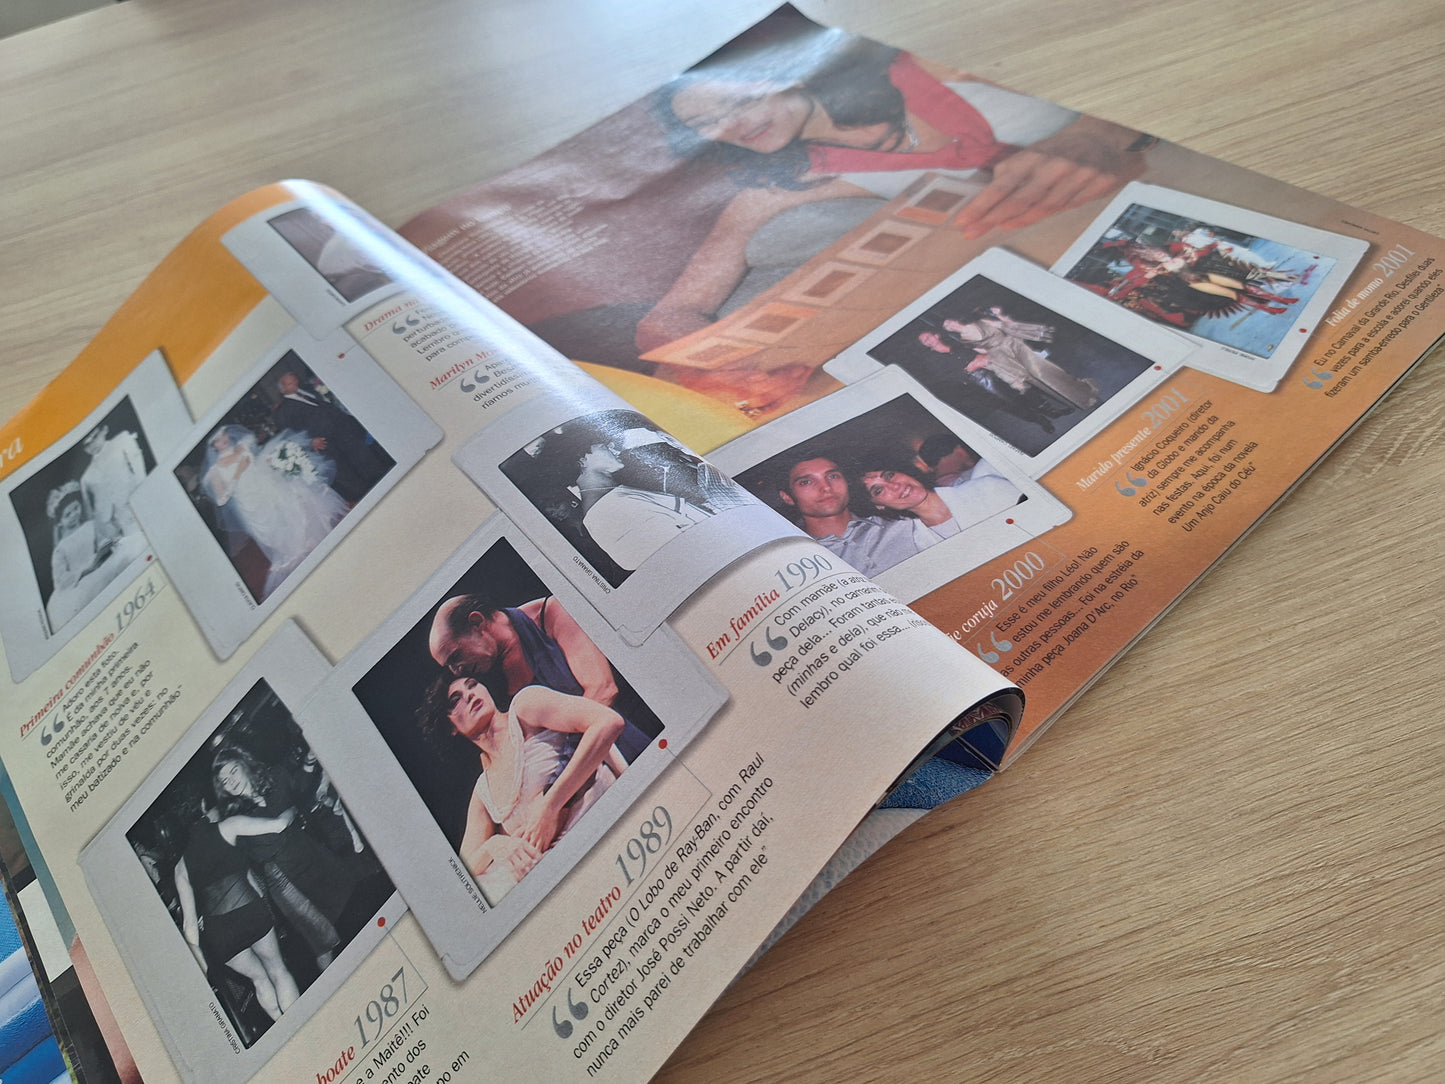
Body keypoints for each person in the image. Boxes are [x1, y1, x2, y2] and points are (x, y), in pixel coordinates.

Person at [638, 38, 1149, 356]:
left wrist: (1100, 134)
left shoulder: (925, 58)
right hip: (1075, 272)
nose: (731, 125)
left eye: (733, 101)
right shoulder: (787, 182)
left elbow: (1134, 56)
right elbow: (668, 316)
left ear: (779, 66)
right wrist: (727, 368)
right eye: (705, 124)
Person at [421, 676, 624, 901]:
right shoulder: (483, 790)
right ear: (451, 727)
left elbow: (608, 722)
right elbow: (462, 875)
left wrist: (549, 806)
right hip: (568, 879)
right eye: (455, 700)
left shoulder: (525, 707)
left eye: (472, 685)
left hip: (608, 829)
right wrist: (497, 845)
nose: (469, 695)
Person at [428, 593, 656, 763]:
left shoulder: (552, 614)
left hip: (624, 751)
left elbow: (603, 690)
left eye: (455, 657)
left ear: (477, 623)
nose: (456, 671)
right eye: (449, 667)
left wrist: (563, 771)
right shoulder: (483, 679)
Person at [213, 749, 360, 972]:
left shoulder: (274, 780)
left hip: (311, 857)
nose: (231, 782)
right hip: (285, 880)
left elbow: (300, 790)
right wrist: (288, 813)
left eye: (233, 771)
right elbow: (267, 845)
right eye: (225, 781)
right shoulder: (235, 818)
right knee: (322, 941)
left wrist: (308, 763)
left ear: (245, 764)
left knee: (347, 907)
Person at [172, 802, 299, 1023]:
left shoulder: (180, 868)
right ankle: (300, 1024)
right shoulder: (229, 826)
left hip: (220, 933)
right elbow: (279, 825)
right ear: (204, 806)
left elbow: (189, 926)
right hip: (249, 911)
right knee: (278, 970)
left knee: (259, 980)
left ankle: (282, 1025)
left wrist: (203, 971)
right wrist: (293, 809)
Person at [200, 425, 349, 598]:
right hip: (250, 503)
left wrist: (269, 460)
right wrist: (238, 473)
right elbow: (221, 499)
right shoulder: (216, 471)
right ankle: (313, 568)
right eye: (217, 440)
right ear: (213, 447)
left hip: (268, 486)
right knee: (277, 532)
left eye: (223, 435)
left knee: (293, 514)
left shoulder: (243, 445)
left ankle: (318, 549)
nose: (223, 440)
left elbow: (257, 461)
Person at [775, 452, 935, 576]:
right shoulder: (795, 563)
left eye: (833, 476)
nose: (826, 487)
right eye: (806, 482)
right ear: (787, 497)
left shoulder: (905, 524)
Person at [572, 438, 714, 571]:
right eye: (604, 446)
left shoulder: (611, 500)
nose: (613, 448)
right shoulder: (609, 511)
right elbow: (685, 559)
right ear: (583, 461)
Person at [942, 308, 1100, 411]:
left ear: (955, 319)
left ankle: (1084, 391)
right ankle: (1075, 400)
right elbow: (984, 351)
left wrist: (1001, 316)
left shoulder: (980, 322)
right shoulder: (964, 341)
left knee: (1038, 371)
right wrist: (1000, 367)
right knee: (1033, 379)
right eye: (947, 327)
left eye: (949, 322)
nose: (950, 326)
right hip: (1002, 356)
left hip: (1013, 344)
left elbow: (1006, 325)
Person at [271, 372, 392, 503]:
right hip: (324, 441)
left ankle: (383, 481)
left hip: (342, 429)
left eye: (295, 379)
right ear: (282, 390)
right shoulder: (283, 411)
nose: (295, 383)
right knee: (345, 471)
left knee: (363, 457)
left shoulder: (307, 391)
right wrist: (309, 442)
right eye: (290, 383)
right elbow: (289, 434)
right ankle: (367, 497)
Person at [43, 481, 143, 631]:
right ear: (60, 523)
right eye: (68, 515)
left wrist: (105, 547)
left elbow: (101, 541)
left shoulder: (89, 526)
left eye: (76, 508)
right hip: (81, 579)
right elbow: (60, 580)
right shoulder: (60, 548)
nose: (74, 515)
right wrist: (85, 569)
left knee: (126, 553)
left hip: (100, 562)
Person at [858, 460, 1021, 541]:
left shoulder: (988, 488)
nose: (894, 485)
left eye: (889, 475)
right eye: (879, 490)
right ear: (878, 505)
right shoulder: (918, 542)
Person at [78, 423, 146, 545]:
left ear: (104, 430)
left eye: (94, 437)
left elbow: (139, 471)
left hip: (141, 503)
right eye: (86, 445)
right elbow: (93, 512)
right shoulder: (87, 477)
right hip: (121, 524)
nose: (92, 445)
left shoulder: (122, 441)